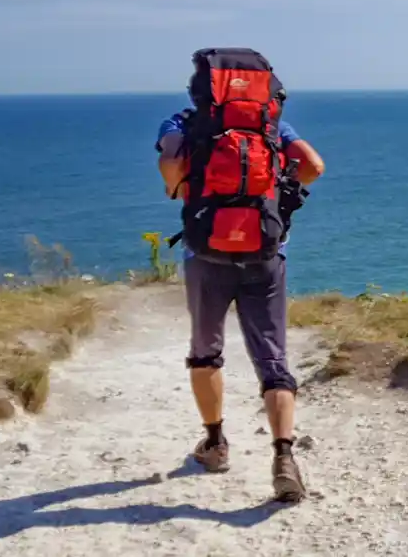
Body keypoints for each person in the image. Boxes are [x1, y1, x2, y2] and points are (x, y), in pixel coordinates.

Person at [155, 59, 326, 503]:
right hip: (266, 255)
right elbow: (313, 166)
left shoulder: (182, 123)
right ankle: (284, 457)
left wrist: (188, 188)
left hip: (206, 254)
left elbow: (171, 170)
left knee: (206, 352)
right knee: (273, 358)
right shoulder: (273, 126)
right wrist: (282, 197)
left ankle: (215, 443)